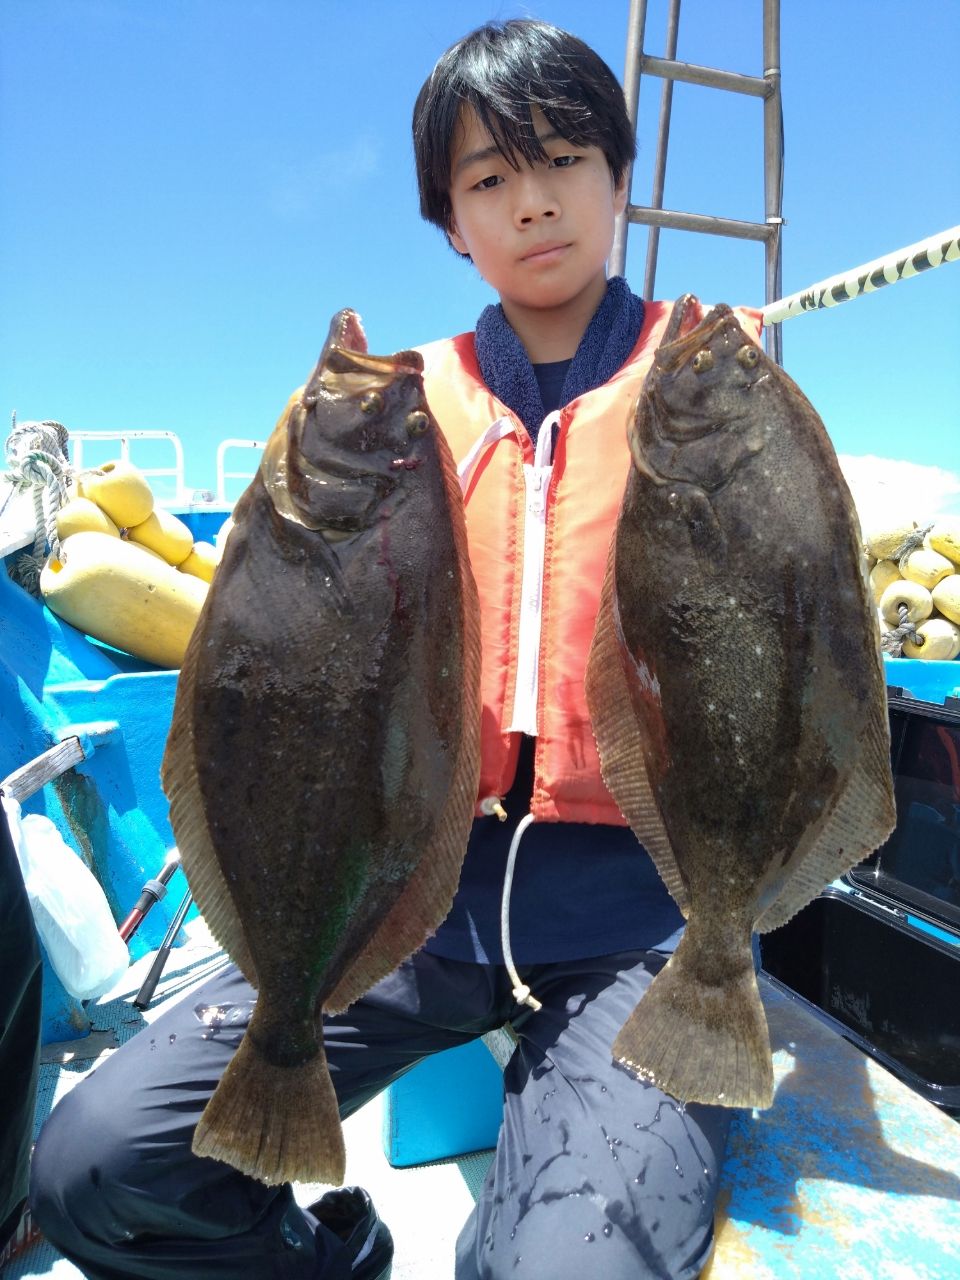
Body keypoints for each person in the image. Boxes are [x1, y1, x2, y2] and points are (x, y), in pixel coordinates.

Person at [30, 19, 761, 1280]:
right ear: (450, 224)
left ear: (620, 177)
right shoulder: (393, 402)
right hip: (401, 906)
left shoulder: (710, 385)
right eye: (488, 180)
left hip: (636, 918)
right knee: (94, 1162)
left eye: (566, 160)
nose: (532, 202)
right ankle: (330, 1257)